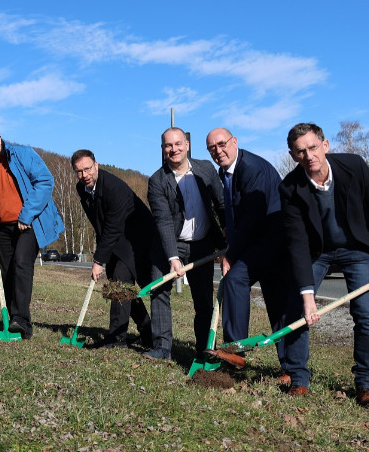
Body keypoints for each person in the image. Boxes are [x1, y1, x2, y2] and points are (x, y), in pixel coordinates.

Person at [280, 122, 369, 406]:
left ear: (325, 146)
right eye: (300, 151)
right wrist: (307, 296)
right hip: (318, 253)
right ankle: (299, 379)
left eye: (313, 147)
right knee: (297, 308)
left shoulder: (354, 167)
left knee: (365, 312)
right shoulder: (289, 188)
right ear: (293, 155)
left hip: (357, 249)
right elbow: (297, 243)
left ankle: (366, 385)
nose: (309, 156)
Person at [203, 127, 304, 382]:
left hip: (274, 240)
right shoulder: (226, 171)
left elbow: (253, 216)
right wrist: (229, 228)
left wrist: (232, 254)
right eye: (212, 148)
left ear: (234, 142)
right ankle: (284, 368)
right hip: (259, 241)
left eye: (222, 144)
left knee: (239, 281)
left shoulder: (252, 169)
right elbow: (236, 209)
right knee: (275, 300)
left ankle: (238, 350)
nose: (218, 151)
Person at [0, 123, 64, 339]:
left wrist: (27, 215)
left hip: (29, 223)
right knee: (7, 270)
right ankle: (11, 320)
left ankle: (22, 321)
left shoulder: (22, 155)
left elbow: (45, 181)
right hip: (1, 228)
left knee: (21, 264)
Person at [146, 128, 225, 359]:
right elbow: (163, 220)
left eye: (178, 144)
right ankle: (162, 348)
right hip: (169, 244)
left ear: (187, 145)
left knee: (203, 299)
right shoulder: (157, 181)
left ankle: (204, 349)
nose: (174, 149)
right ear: (163, 149)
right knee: (159, 290)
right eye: (168, 146)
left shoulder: (206, 170)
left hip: (202, 244)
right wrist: (172, 257)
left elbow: (220, 203)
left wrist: (227, 235)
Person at [71, 149, 157, 352]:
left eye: (88, 169)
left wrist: (99, 260)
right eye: (79, 171)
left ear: (96, 165)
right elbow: (99, 222)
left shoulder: (114, 187)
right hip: (116, 238)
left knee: (119, 281)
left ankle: (116, 337)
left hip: (137, 238)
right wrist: (104, 253)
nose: (85, 175)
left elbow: (112, 226)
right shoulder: (81, 188)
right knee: (122, 286)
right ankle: (148, 332)